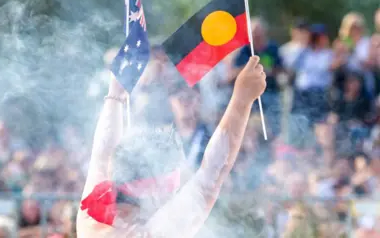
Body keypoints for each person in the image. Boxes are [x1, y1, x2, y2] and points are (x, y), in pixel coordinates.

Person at [77, 56, 266, 237]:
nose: (176, 196)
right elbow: (212, 174)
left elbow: (102, 155)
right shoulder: (153, 234)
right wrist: (242, 99)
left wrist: (116, 92)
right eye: (174, 190)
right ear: (155, 195)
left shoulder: (92, 219)